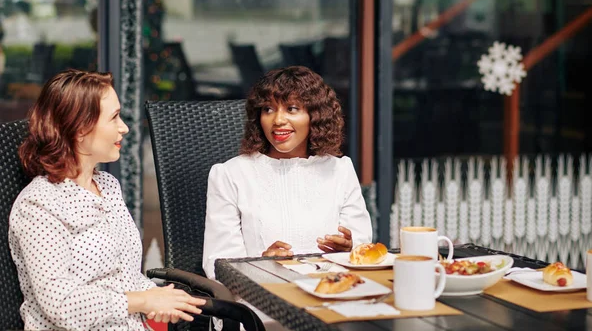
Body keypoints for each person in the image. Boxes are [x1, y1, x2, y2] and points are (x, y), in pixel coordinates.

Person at [9, 69, 205, 330]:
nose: (124, 127)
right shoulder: (39, 205)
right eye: (114, 118)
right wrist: (144, 301)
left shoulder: (107, 186)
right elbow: (61, 304)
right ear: (79, 128)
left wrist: (165, 299)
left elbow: (124, 277)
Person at [203, 66, 373, 279]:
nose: (278, 120)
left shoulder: (340, 170)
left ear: (315, 115)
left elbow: (363, 248)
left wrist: (349, 250)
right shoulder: (230, 175)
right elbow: (216, 263)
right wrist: (260, 264)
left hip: (330, 294)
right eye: (268, 109)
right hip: (262, 300)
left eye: (291, 109)